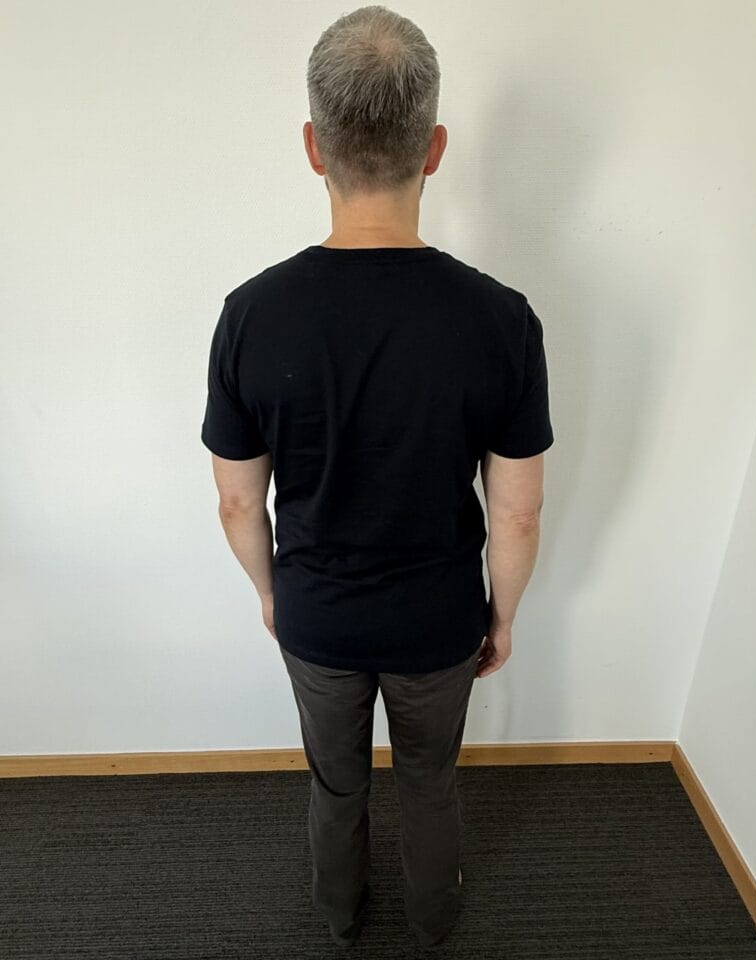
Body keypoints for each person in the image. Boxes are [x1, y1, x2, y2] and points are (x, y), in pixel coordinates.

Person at [201, 4, 554, 949]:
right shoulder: (502, 320)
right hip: (438, 619)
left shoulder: (251, 315)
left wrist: (272, 593)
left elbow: (237, 498)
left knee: (336, 781)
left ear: (314, 147)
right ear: (433, 148)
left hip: (317, 613)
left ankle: (338, 913)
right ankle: (435, 920)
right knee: (430, 780)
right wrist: (502, 616)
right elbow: (517, 515)